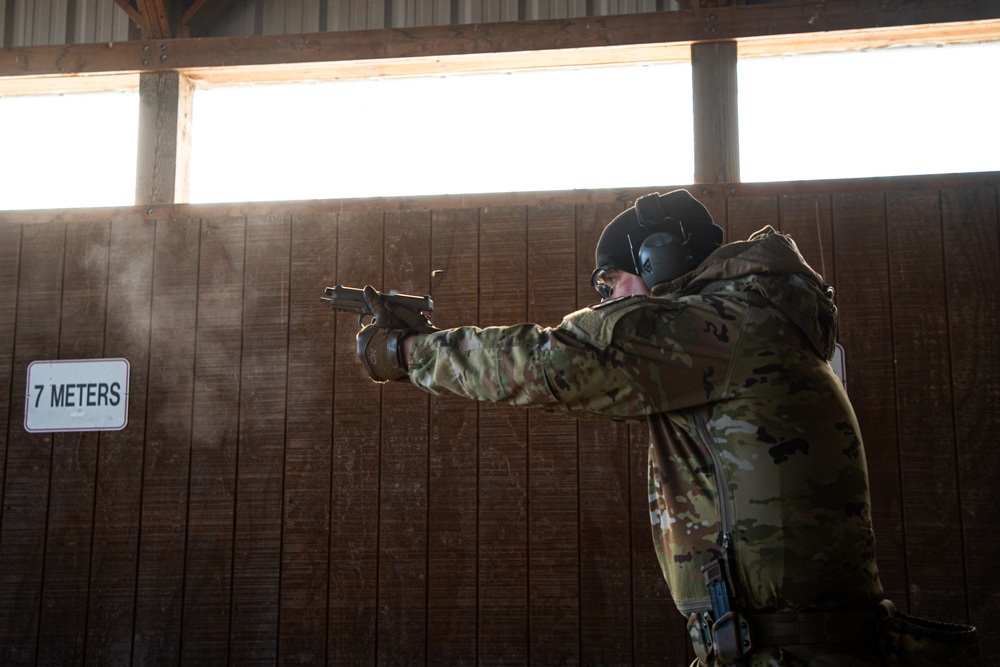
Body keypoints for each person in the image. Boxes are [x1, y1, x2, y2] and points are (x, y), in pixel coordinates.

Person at [354, 190, 977, 666]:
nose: (607, 301)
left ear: (660, 260)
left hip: (789, 653)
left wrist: (408, 352)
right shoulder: (751, 318)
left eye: (612, 282)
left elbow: (553, 364)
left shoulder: (720, 324)